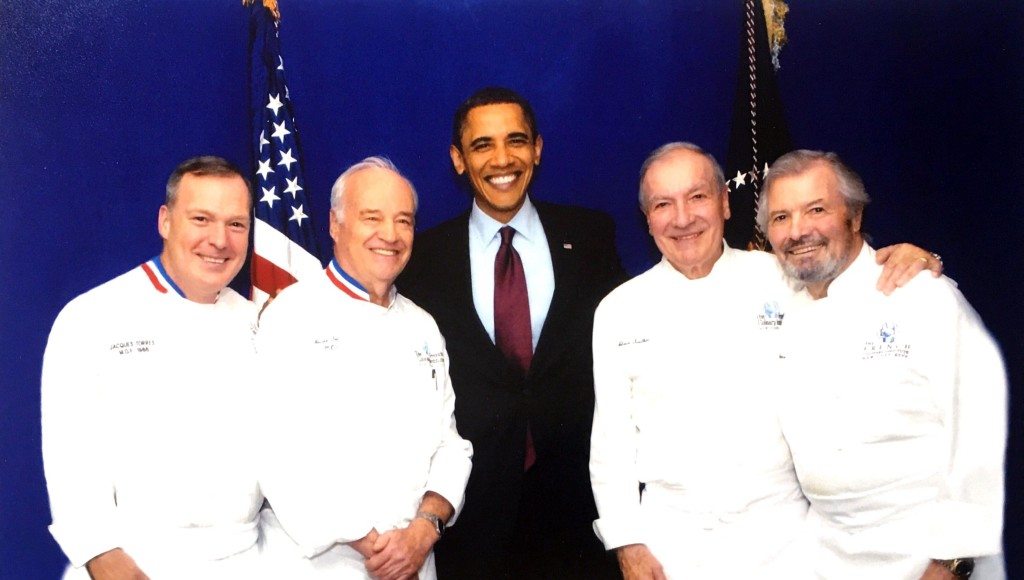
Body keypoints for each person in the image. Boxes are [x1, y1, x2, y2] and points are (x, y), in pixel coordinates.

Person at [589, 142, 943, 579]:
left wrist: (917, 260)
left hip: (785, 540)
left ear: (724, 203)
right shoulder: (618, 310)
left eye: (697, 197)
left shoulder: (783, 275)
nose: (682, 218)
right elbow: (611, 445)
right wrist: (628, 542)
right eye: (663, 204)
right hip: (672, 544)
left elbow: (859, 287)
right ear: (647, 219)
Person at [397, 87, 627, 578]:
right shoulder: (422, 260)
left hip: (580, 512)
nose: (502, 159)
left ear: (537, 150)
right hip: (471, 520)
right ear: (459, 160)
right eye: (482, 145)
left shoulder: (591, 237)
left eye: (516, 140)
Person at [759, 149, 1006, 579]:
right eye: (781, 217)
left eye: (816, 210)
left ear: (854, 217)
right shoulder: (780, 310)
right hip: (828, 558)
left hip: (929, 556)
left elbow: (979, 431)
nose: (799, 231)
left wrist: (952, 560)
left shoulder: (923, 297)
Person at [41, 156, 264, 579]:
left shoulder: (259, 322)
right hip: (134, 560)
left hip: (247, 560)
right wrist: (106, 560)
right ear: (165, 220)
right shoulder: (93, 317)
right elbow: (71, 464)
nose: (219, 240)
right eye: (201, 218)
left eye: (236, 224)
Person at [257, 156, 473, 580]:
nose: (389, 235)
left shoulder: (422, 325)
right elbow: (276, 454)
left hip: (413, 561)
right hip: (319, 565)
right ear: (335, 225)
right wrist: (373, 542)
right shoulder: (290, 316)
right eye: (371, 217)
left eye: (403, 221)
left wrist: (423, 532)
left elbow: (450, 445)